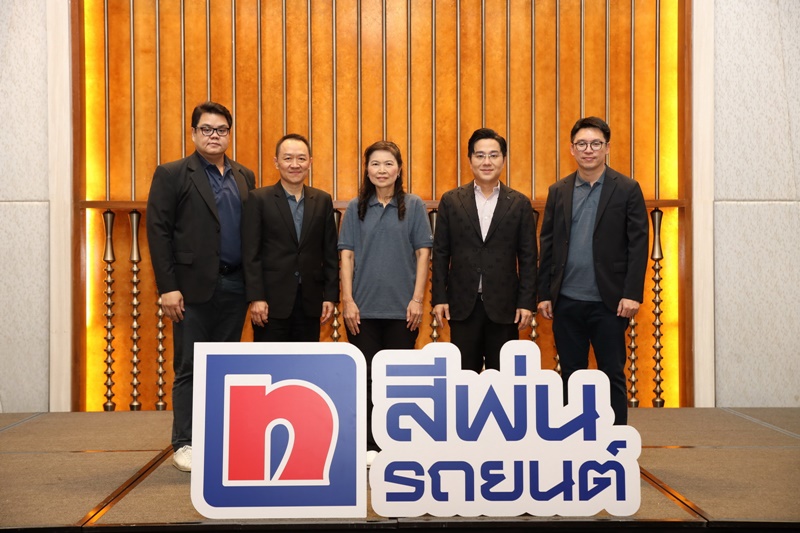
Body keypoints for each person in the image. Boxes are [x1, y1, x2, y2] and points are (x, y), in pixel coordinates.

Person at [146, 101, 255, 472]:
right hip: (189, 289)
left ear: (229, 134)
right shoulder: (172, 173)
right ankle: (185, 442)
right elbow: (158, 232)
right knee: (190, 365)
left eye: (221, 130)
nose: (214, 136)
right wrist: (168, 287)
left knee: (226, 366)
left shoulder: (244, 175)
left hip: (236, 284)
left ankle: (219, 437)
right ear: (193, 133)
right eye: (206, 129)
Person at [537, 116, 649, 426]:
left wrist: (632, 293)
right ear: (572, 149)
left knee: (611, 372)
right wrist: (544, 293)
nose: (589, 150)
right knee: (571, 374)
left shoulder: (626, 188)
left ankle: (615, 440)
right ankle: (574, 438)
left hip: (610, 302)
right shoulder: (559, 190)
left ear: (607, 148)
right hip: (566, 300)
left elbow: (639, 243)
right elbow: (548, 243)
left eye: (596, 144)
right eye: (582, 144)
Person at [338, 141, 433, 467]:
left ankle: (396, 442)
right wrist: (347, 301)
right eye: (375, 164)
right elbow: (346, 256)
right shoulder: (356, 208)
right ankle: (369, 443)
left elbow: (423, 254)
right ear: (367, 170)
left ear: (399, 169)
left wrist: (417, 300)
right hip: (361, 311)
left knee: (397, 380)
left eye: (388, 164)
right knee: (365, 379)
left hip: (403, 310)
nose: (382, 170)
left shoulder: (414, 205)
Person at [432, 128, 538, 373]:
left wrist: (526, 302)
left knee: (502, 377)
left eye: (493, 155)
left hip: (505, 306)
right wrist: (439, 298)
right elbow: (440, 254)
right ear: (470, 160)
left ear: (503, 159)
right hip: (462, 304)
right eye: (480, 155)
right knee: (464, 376)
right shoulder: (451, 200)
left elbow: (528, 258)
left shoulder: (519, 203)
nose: (486, 162)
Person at [243, 133, 339, 341]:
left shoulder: (322, 200)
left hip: (310, 302)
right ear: (276, 162)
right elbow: (251, 254)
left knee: (306, 360)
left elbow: (330, 253)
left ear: (310, 162)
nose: (295, 165)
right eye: (288, 158)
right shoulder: (259, 199)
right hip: (270, 304)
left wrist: (330, 296)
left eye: (301, 158)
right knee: (270, 359)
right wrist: (256, 297)